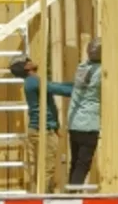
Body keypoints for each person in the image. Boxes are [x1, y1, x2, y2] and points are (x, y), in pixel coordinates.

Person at [10, 54, 73, 194]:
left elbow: (56, 85)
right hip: (42, 131)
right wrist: (82, 90)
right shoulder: (33, 81)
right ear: (26, 66)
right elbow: (57, 89)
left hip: (41, 129)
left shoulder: (32, 81)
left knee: (43, 168)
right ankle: (41, 199)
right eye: (28, 60)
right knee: (47, 168)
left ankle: (40, 195)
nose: (32, 61)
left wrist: (77, 85)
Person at [67, 38, 103, 190]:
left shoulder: (82, 67)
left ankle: (70, 192)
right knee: (83, 163)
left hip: (74, 122)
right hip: (89, 123)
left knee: (75, 161)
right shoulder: (102, 72)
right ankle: (74, 193)